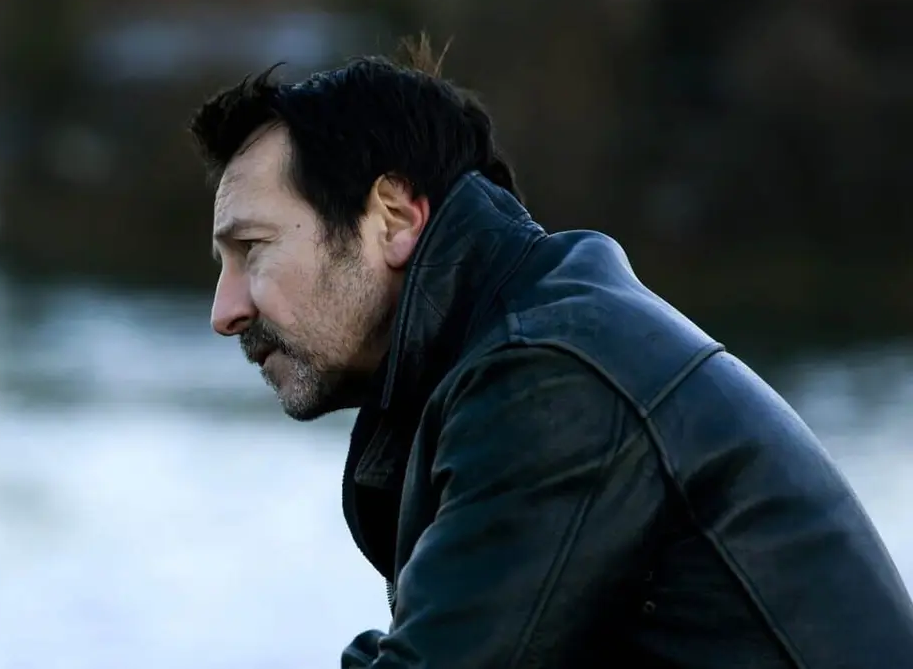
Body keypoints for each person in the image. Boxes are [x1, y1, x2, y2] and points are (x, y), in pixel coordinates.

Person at [188, 36, 913, 667]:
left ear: (395, 218)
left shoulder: (549, 377)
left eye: (253, 249)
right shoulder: (529, 345)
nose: (226, 312)